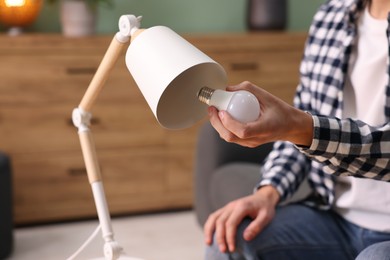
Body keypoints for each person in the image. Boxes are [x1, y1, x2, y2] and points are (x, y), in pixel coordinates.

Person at [204, 0, 390, 259]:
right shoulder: (332, 16)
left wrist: (301, 128)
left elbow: (303, 126)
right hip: (336, 218)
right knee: (227, 238)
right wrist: (268, 193)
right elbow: (304, 117)